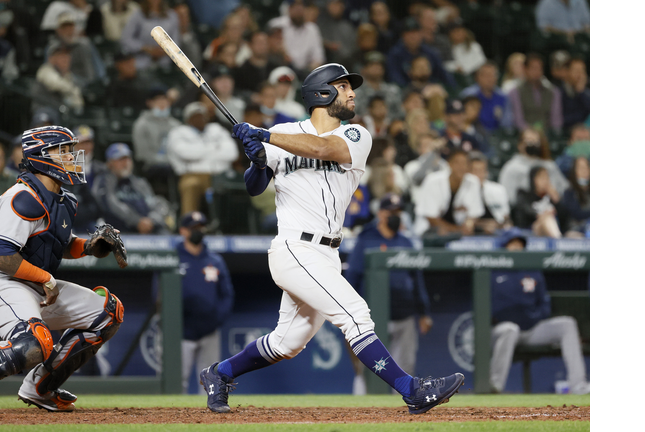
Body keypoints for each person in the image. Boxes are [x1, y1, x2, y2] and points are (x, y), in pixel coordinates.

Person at [200, 63, 465, 415]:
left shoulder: (356, 134)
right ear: (321, 92)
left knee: (287, 343)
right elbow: (254, 187)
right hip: (294, 247)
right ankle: (411, 389)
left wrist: (264, 137)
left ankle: (219, 373)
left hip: (327, 253)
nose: (352, 93)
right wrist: (259, 162)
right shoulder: (283, 132)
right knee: (356, 315)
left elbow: (323, 149)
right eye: (343, 87)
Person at [0, 125, 127, 414]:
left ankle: (41, 387)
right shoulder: (22, 196)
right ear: (41, 156)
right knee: (33, 342)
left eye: (70, 150)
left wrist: (91, 246)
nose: (71, 156)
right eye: (63, 151)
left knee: (107, 313)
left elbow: (58, 244)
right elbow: (1, 256)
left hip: (33, 284)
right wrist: (46, 278)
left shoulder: (64, 199)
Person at [344, 193, 431, 395]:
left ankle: (404, 409)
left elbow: (417, 280)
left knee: (405, 368)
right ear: (381, 214)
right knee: (370, 370)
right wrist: (348, 312)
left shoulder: (406, 242)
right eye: (392, 212)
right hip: (373, 318)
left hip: (404, 315)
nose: (396, 216)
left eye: (398, 212)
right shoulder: (366, 239)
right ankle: (361, 409)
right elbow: (352, 277)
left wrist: (424, 312)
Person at [490, 229, 589, 394]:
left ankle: (578, 385)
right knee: (510, 329)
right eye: (512, 244)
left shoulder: (532, 270)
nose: (517, 248)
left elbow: (544, 304)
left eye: (520, 244)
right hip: (502, 330)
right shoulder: (493, 270)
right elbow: (491, 308)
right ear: (504, 247)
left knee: (567, 324)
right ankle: (494, 386)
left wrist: (533, 317)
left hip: (531, 330)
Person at [176, 211, 235, 394]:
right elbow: (159, 295)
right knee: (176, 385)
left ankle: (209, 413)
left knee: (211, 384)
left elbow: (227, 295)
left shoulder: (215, 260)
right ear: (183, 231)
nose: (198, 231)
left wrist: (215, 320)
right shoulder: (172, 258)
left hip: (209, 331)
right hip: (180, 332)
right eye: (193, 228)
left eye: (201, 227)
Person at [167, 101, 240, 215]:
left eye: (202, 116)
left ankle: (227, 223)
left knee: (235, 189)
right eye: (196, 116)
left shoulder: (217, 129)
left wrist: (200, 151)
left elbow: (232, 153)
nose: (200, 119)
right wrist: (215, 148)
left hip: (219, 175)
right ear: (188, 119)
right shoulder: (178, 132)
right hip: (192, 174)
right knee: (190, 185)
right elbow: (185, 153)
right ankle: (190, 222)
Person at [91, 142, 172, 233]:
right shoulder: (103, 181)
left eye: (128, 159)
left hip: (147, 227)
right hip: (119, 230)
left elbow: (152, 202)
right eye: (120, 159)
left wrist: (151, 220)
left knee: (164, 231)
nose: (126, 163)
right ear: (110, 163)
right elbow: (111, 205)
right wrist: (137, 221)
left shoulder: (139, 182)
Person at [413, 148, 483, 237]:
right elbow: (431, 217)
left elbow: (474, 213)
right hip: (429, 232)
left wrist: (469, 224)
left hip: (460, 232)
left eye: (465, 163)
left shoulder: (473, 182)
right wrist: (457, 230)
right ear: (449, 164)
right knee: (440, 232)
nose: (461, 167)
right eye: (457, 163)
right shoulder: (433, 181)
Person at [498, 128, 569, 206]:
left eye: (535, 141)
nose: (532, 144)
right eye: (529, 140)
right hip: (524, 209)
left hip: (552, 207)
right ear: (520, 145)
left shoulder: (549, 165)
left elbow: (565, 189)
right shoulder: (512, 168)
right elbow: (506, 195)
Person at [386, 17, 455, 92]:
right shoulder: (395, 54)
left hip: (431, 90)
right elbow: (395, 78)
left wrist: (451, 90)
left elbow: (443, 74)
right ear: (403, 36)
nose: (413, 36)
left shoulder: (430, 52)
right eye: (409, 33)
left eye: (415, 32)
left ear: (421, 34)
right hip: (406, 92)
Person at [507, 53, 563, 137]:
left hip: (548, 135)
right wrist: (530, 133)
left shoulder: (553, 92)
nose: (536, 72)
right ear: (525, 69)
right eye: (533, 68)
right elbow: (518, 120)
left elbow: (556, 119)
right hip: (524, 135)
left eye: (539, 68)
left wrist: (551, 134)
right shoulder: (515, 92)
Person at [266, 0, 326, 76]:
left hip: (305, 72)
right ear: (289, 8)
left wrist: (309, 72)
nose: (299, 11)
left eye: (301, 7)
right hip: (281, 69)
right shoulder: (277, 24)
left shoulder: (312, 29)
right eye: (296, 7)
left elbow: (319, 59)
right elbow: (269, 49)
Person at [131, 85, 180, 176]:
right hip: (150, 166)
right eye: (157, 100)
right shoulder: (141, 124)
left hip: (173, 164)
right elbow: (142, 154)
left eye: (164, 99)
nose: (162, 103)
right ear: (149, 103)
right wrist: (167, 161)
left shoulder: (175, 125)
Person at [48, 12, 107, 85]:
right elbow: (49, 71)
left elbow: (99, 67)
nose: (68, 31)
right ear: (58, 30)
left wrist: (101, 82)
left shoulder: (85, 44)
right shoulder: (53, 49)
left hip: (89, 84)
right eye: (65, 28)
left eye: (71, 27)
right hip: (66, 85)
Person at [120, 0, 179, 71]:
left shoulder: (172, 15)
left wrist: (164, 50)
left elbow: (176, 41)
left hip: (165, 64)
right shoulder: (138, 15)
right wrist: (145, 48)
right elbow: (126, 39)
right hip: (142, 63)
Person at [458, 62, 513, 133]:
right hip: (473, 132)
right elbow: (460, 118)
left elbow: (507, 123)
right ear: (478, 77)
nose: (490, 79)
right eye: (487, 75)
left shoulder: (503, 97)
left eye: (493, 75)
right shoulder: (468, 95)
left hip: (496, 135)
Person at [353, 51, 405, 121]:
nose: (376, 68)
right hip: (364, 126)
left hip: (389, 125)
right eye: (372, 65)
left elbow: (400, 114)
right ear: (364, 69)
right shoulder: (356, 93)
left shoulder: (393, 91)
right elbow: (353, 115)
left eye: (379, 65)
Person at [513, 166, 563, 238]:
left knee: (574, 235)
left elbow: (564, 219)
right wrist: (542, 215)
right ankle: (558, 241)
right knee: (547, 219)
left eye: (546, 177)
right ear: (533, 179)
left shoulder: (551, 197)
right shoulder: (524, 194)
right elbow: (526, 210)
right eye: (541, 178)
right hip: (531, 230)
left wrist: (556, 201)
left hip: (554, 231)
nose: (545, 181)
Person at [469, 151, 512, 235]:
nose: (479, 175)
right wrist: (483, 225)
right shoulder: (461, 190)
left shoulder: (498, 190)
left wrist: (500, 225)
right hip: (471, 234)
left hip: (496, 232)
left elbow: (506, 217)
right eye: (475, 171)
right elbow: (460, 221)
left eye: (482, 170)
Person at [35, 42, 85, 112]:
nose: (65, 59)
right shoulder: (45, 70)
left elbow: (78, 103)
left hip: (62, 113)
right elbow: (56, 83)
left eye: (67, 55)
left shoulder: (68, 75)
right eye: (61, 55)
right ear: (51, 59)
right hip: (45, 112)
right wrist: (74, 91)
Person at [316, 0, 357, 66]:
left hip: (347, 62)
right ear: (328, 6)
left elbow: (353, 48)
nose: (336, 8)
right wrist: (329, 45)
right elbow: (316, 42)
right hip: (327, 61)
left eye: (339, 5)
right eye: (334, 5)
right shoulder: (320, 25)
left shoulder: (347, 26)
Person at [558, 156, 589, 238]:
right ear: (574, 171)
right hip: (574, 230)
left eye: (586, 167)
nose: (584, 170)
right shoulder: (569, 192)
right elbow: (577, 213)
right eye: (580, 168)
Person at [559, 57, 590, 134]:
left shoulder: (586, 93)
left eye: (582, 71)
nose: (579, 75)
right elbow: (561, 119)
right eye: (576, 71)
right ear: (567, 72)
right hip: (565, 132)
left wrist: (581, 92)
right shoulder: (559, 92)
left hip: (585, 132)